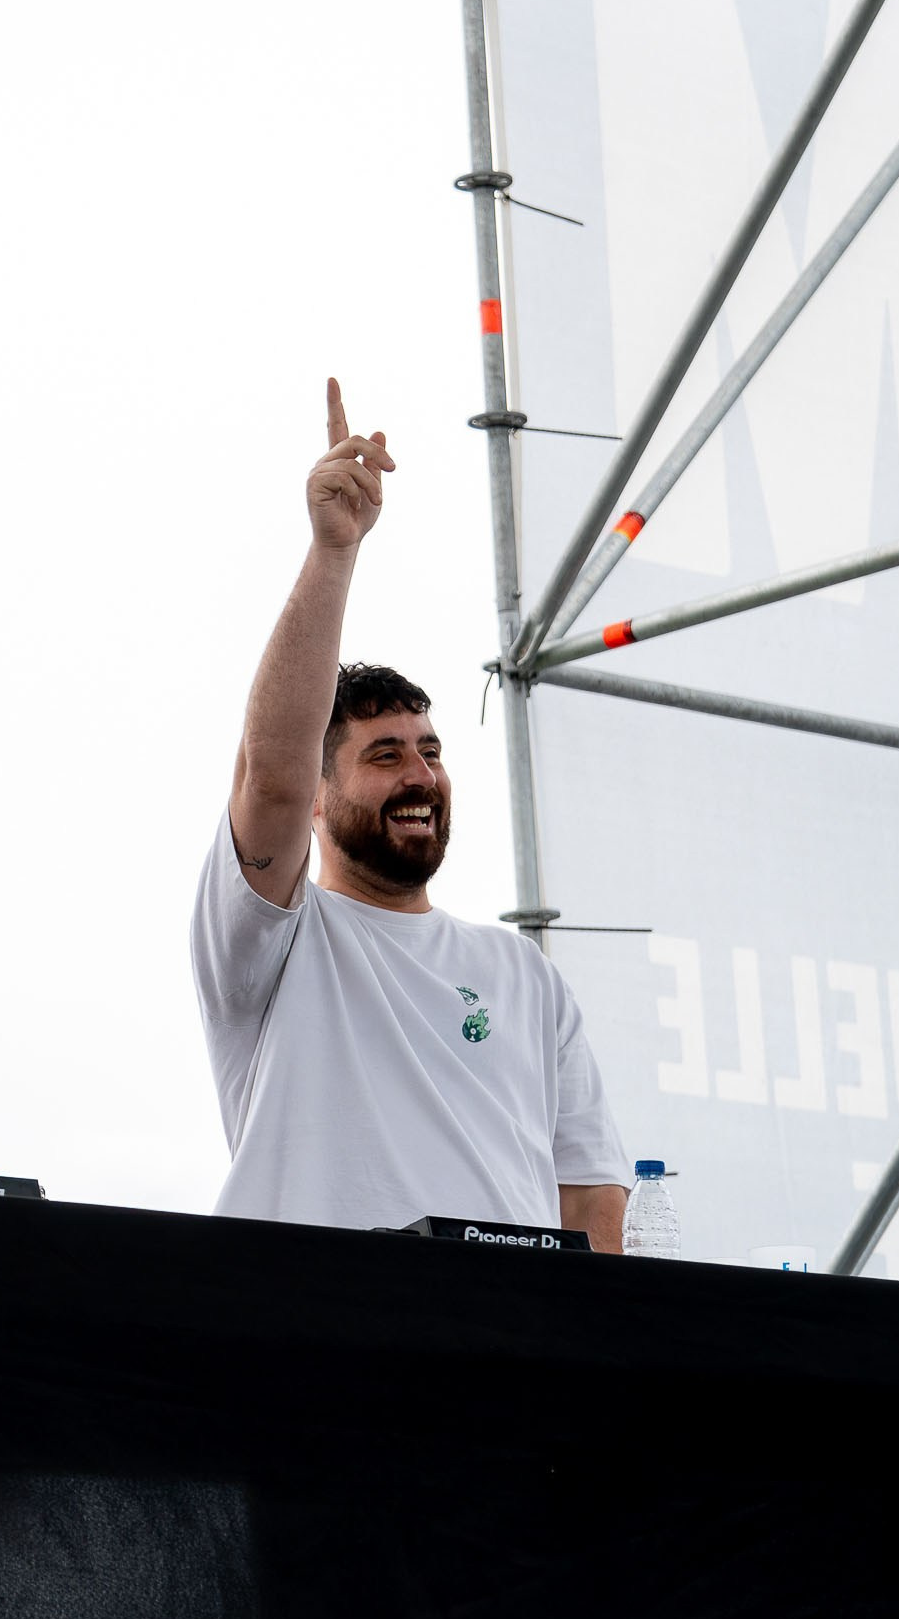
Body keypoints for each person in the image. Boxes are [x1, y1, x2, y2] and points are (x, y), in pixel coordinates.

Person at [191, 380, 630, 1246]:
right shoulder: (270, 938)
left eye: (430, 751)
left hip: (509, 1333)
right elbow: (270, 776)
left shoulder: (523, 975)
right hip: (313, 1323)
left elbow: (589, 1201)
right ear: (318, 798)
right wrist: (333, 553)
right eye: (384, 756)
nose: (420, 775)